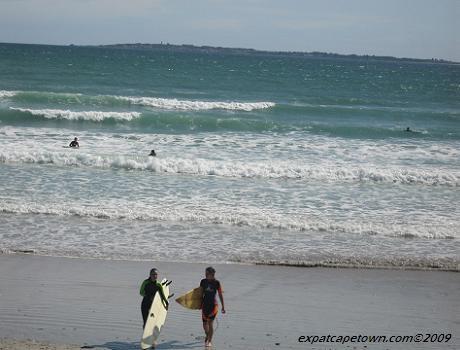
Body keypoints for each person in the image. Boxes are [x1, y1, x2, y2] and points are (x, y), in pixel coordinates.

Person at [200, 266, 225, 347]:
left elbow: (220, 294)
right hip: (204, 305)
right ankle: (208, 335)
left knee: (210, 323)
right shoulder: (203, 281)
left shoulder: (217, 283)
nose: (206, 274)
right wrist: (198, 304)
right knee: (204, 324)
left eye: (207, 273)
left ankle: (209, 341)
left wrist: (223, 307)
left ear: (212, 274)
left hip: (213, 306)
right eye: (205, 273)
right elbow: (200, 293)